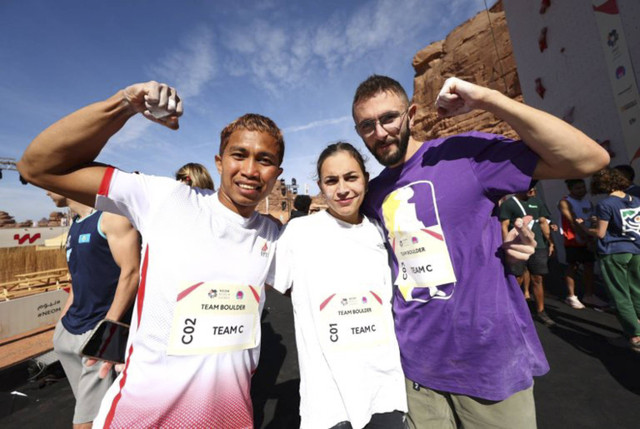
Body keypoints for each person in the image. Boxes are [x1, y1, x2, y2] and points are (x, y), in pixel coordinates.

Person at [18, 82, 283, 428]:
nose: (250, 170)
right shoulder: (165, 199)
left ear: (276, 174)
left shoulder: (277, 238)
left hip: (230, 418)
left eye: (264, 160)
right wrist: (124, 105)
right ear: (218, 162)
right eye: (239, 155)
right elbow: (37, 167)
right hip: (142, 418)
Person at [352, 75, 609, 428]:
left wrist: (489, 99)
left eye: (388, 118)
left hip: (489, 365)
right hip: (415, 372)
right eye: (367, 126)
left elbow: (588, 159)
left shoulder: (463, 154)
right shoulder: (373, 195)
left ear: (410, 114)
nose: (380, 133)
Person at [274, 142, 407, 429]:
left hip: (385, 391)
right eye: (331, 181)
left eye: (351, 177)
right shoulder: (299, 234)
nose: (342, 189)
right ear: (321, 187)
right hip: (328, 403)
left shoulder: (380, 231)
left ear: (366, 179)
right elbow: (277, 283)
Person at [47, 191, 140, 429]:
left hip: (97, 335)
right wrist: (60, 327)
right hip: (69, 333)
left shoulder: (111, 218)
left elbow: (131, 273)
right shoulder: (75, 225)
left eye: (47, 182)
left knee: (85, 422)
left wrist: (105, 335)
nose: (45, 189)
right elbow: (77, 283)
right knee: (99, 415)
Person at [587, 168, 640, 352]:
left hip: (614, 251)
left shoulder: (605, 204)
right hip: (635, 250)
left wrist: (587, 227)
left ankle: (634, 335)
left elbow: (600, 233)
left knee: (620, 294)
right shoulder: (636, 201)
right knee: (636, 291)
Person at [500, 183, 555, 326]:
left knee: (538, 277)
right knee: (517, 278)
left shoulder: (537, 202)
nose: (532, 190)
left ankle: (541, 311)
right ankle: (514, 311)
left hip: (538, 246)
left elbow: (543, 222)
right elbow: (504, 225)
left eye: (533, 188)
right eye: (529, 187)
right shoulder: (509, 204)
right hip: (518, 247)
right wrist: (507, 246)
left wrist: (550, 241)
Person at [558, 179, 608, 309]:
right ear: (570, 190)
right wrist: (585, 237)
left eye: (582, 187)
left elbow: (593, 220)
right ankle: (571, 296)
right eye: (577, 188)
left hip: (587, 239)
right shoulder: (565, 202)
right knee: (573, 266)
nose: (581, 190)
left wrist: (591, 234)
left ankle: (589, 295)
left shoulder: (588, 202)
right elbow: (572, 221)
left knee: (589, 266)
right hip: (573, 239)